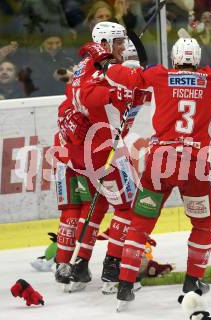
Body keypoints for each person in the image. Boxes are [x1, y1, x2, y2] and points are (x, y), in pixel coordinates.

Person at [104, 23, 211, 308]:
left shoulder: (159, 74)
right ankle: (193, 281)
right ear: (198, 60)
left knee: (141, 221)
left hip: (160, 160)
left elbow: (118, 74)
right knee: (204, 223)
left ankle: (126, 282)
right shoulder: (209, 77)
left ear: (174, 58)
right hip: (194, 162)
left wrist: (107, 59)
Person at [55, 22, 151, 293]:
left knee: (97, 207)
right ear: (106, 43)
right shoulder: (99, 72)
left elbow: (79, 93)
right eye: (118, 42)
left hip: (91, 153)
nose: (122, 47)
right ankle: (112, 270)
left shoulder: (91, 67)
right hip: (105, 152)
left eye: (124, 43)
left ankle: (80, 265)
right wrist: (115, 89)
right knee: (128, 209)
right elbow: (88, 95)